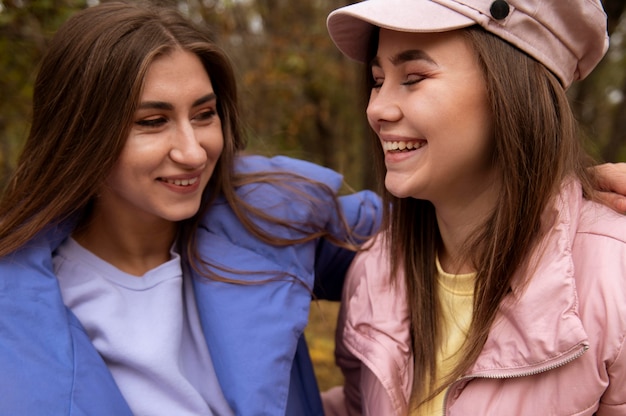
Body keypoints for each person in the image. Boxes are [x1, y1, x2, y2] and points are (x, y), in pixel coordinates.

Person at [0, 2, 382, 415]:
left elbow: (431, 245)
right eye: (152, 122)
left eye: (203, 114)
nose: (193, 152)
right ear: (81, 132)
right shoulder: (20, 304)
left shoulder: (272, 220)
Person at [323, 0, 626, 415]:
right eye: (378, 80)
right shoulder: (376, 269)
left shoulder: (613, 282)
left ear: (514, 90)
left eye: (413, 77)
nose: (376, 109)